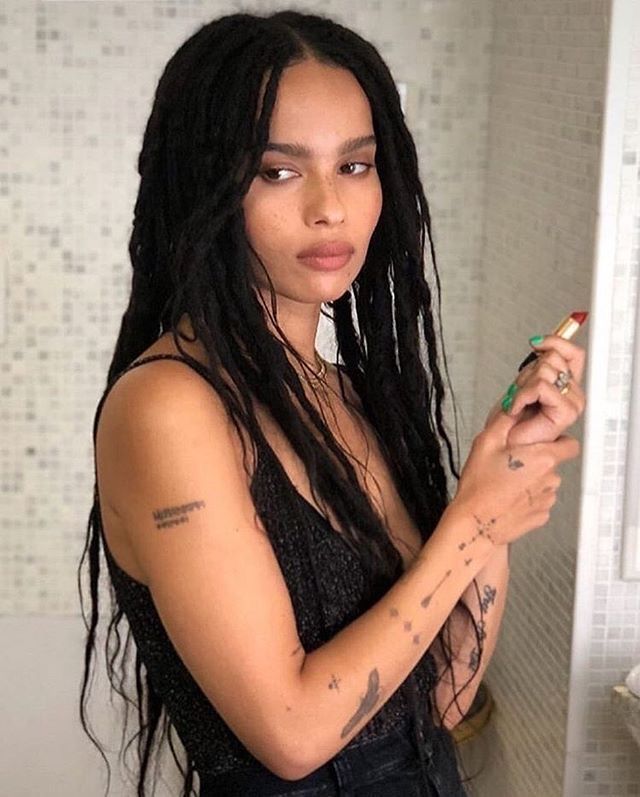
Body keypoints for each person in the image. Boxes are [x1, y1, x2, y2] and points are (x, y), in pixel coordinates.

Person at [78, 9, 586, 797]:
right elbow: (293, 733)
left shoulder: (342, 393)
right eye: (278, 171)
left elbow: (440, 698)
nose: (329, 207)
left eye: (355, 165)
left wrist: (500, 479)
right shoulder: (168, 407)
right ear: (205, 188)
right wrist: (474, 520)